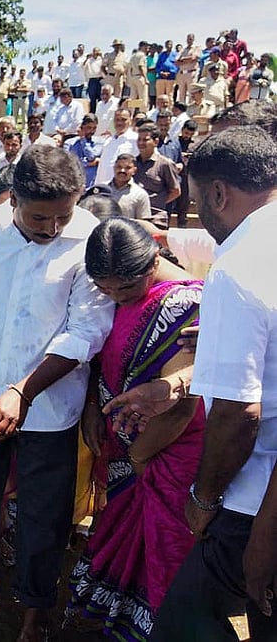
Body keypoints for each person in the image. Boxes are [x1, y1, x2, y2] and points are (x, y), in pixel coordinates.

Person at [0, 146, 114, 638]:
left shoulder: (88, 239)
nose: (53, 228)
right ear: (12, 199)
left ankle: (35, 608)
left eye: (64, 215)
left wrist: (24, 390)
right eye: (40, 217)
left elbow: (86, 331)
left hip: (50, 407)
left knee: (44, 516)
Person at [149, 126, 277, 641]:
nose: (199, 210)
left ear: (219, 194)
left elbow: (237, 414)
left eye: (199, 199)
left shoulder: (239, 268)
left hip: (253, 500)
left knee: (184, 623)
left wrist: (202, 499)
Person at [66, 218, 204, 641]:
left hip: (169, 450)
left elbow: (183, 403)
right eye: (104, 290)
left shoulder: (188, 304)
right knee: (125, 530)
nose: (113, 298)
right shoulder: (118, 293)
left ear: (151, 264)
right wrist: (93, 406)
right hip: (126, 445)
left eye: (122, 291)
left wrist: (142, 455)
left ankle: (165, 628)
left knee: (166, 545)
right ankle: (125, 616)